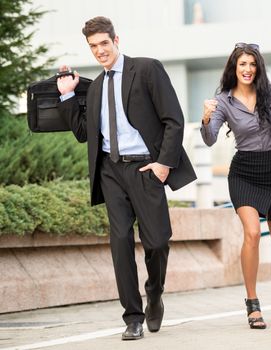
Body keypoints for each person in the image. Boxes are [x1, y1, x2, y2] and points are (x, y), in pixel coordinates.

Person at [56, 16, 196, 340]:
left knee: (158, 241)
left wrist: (163, 165)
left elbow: (174, 120)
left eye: (104, 43)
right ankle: (132, 317)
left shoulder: (146, 69)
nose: (100, 51)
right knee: (120, 243)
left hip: (146, 168)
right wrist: (66, 96)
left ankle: (155, 293)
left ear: (116, 41)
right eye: (93, 46)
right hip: (110, 171)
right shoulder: (94, 89)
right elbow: (83, 134)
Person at [200, 43, 271, 329]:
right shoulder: (223, 101)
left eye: (252, 64)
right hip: (244, 173)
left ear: (258, 68)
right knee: (252, 232)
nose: (247, 69)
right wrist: (205, 116)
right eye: (242, 64)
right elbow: (209, 138)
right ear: (234, 68)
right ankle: (252, 304)